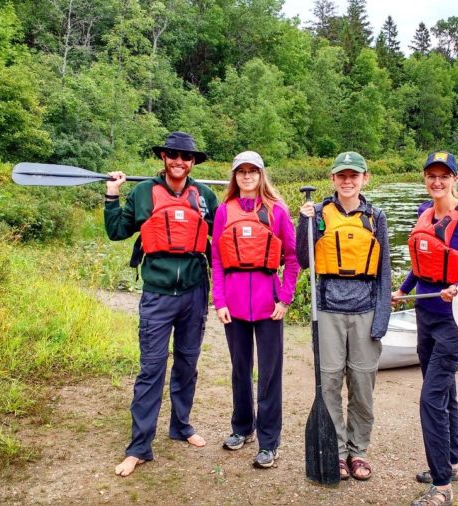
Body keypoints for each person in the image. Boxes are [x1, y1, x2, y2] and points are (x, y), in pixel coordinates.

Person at [105, 132, 219, 478]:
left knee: (187, 362)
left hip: (195, 290)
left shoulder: (206, 196)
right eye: (173, 155)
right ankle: (140, 447)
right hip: (156, 292)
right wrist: (112, 195)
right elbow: (117, 231)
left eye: (186, 157)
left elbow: (223, 235)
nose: (179, 162)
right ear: (163, 158)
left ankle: (181, 426)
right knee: (152, 368)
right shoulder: (142, 193)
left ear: (193, 162)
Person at [392, 151, 458, 506]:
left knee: (431, 398)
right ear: (425, 178)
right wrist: (403, 291)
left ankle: (441, 487)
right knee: (444, 388)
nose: (437, 182)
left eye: (444, 176)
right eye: (431, 176)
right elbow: (424, 259)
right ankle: (451, 462)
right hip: (425, 313)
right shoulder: (425, 211)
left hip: (455, 319)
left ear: (455, 178)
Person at [296, 151, 392, 481]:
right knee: (330, 385)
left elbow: (385, 273)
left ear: (365, 178)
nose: (347, 181)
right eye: (341, 175)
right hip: (328, 312)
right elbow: (303, 259)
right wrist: (304, 223)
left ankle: (358, 451)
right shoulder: (320, 213)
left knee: (362, 386)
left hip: (365, 311)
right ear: (333, 179)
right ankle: (335, 452)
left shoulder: (376, 216)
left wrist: (382, 320)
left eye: (354, 175)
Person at [211, 151, 299, 469]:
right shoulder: (224, 211)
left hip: (268, 303)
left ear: (262, 175)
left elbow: (292, 257)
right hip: (233, 303)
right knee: (240, 369)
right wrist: (218, 300)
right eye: (241, 172)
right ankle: (242, 428)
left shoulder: (276, 211)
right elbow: (218, 259)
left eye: (253, 171)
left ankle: (268, 442)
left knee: (270, 374)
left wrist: (285, 298)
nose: (247, 176)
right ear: (235, 177)